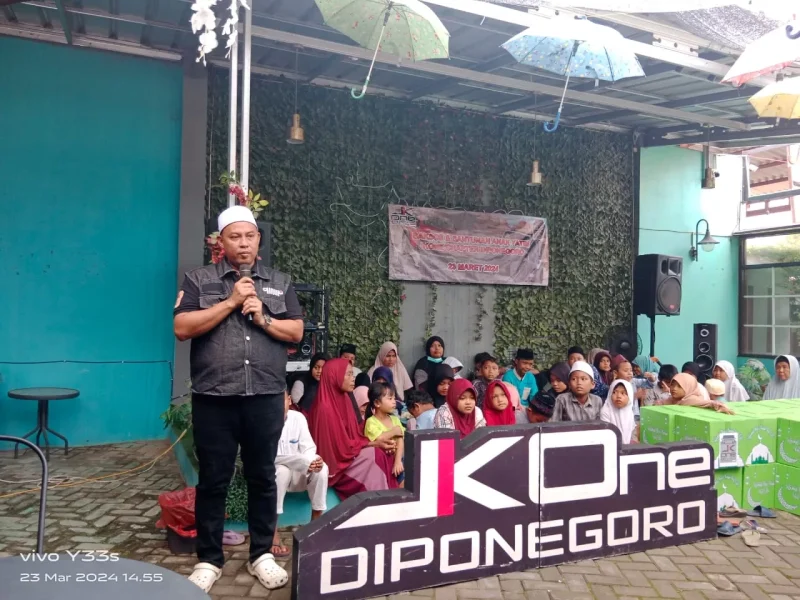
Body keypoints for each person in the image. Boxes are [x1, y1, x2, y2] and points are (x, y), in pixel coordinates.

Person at [173, 206, 304, 593]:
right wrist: (230, 302)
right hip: (214, 398)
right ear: (221, 241)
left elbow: (296, 331)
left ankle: (261, 554)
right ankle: (209, 559)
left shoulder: (280, 282)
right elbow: (182, 327)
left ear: (258, 239)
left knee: (262, 476)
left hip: (264, 395)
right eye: (235, 236)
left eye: (250, 236)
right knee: (213, 480)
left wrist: (264, 318)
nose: (243, 243)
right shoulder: (199, 280)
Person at [307, 358, 399, 500]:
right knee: (373, 460)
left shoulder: (345, 399)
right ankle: (379, 503)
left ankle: (390, 499)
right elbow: (336, 452)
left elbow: (352, 437)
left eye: (352, 374)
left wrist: (375, 443)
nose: (353, 378)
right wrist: (372, 444)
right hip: (338, 468)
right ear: (334, 376)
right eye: (348, 374)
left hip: (348, 455)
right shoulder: (324, 408)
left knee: (382, 453)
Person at [273, 392, 328, 558]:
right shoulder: (264, 420)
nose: (278, 404)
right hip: (276, 473)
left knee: (322, 469)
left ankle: (315, 524)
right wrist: (302, 461)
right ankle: (272, 531)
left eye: (281, 399)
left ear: (289, 400)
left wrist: (313, 462)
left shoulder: (297, 418)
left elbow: (308, 448)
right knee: (281, 471)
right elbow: (269, 457)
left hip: (300, 472)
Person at [363, 382, 405, 485]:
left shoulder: (395, 419)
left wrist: (398, 461)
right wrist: (394, 431)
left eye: (394, 398)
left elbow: (400, 441)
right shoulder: (371, 422)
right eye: (390, 399)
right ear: (377, 403)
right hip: (380, 464)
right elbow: (378, 439)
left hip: (397, 460)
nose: (394, 402)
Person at [667, 373, 733, 414]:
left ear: (688, 387)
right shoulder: (670, 400)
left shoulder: (690, 400)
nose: (674, 388)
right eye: (672, 385)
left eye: (679, 386)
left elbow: (708, 403)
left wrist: (720, 406)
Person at [601, 380, 636, 444]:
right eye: (614, 392)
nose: (618, 396)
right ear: (610, 395)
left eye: (623, 393)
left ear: (630, 396)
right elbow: (606, 435)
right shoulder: (605, 411)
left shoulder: (630, 412)